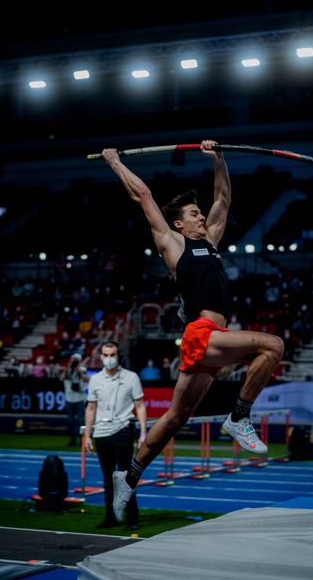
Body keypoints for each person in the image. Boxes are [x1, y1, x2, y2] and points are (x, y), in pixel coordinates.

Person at [101, 140, 284, 522]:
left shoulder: (211, 242)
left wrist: (219, 157)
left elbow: (223, 198)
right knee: (272, 345)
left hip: (211, 336)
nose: (203, 218)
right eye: (195, 214)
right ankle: (239, 416)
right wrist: (115, 162)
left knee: (174, 417)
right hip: (201, 332)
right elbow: (143, 195)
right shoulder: (173, 243)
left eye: (202, 214)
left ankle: (128, 477)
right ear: (180, 222)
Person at [84, 341, 147, 529]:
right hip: (101, 433)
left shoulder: (131, 377)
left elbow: (140, 405)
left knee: (126, 476)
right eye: (106, 355)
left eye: (113, 355)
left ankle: (132, 517)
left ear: (118, 356)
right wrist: (87, 435)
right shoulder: (95, 379)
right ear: (101, 357)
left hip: (123, 430)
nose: (109, 359)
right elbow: (91, 407)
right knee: (107, 478)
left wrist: (143, 432)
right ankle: (111, 517)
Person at [60, 353, 88, 446]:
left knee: (80, 421)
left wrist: (79, 371)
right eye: (73, 359)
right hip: (69, 399)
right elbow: (61, 379)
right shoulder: (67, 370)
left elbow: (86, 379)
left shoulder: (82, 370)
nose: (75, 361)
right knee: (70, 421)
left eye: (76, 359)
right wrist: (68, 369)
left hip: (79, 399)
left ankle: (81, 440)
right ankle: (72, 440)